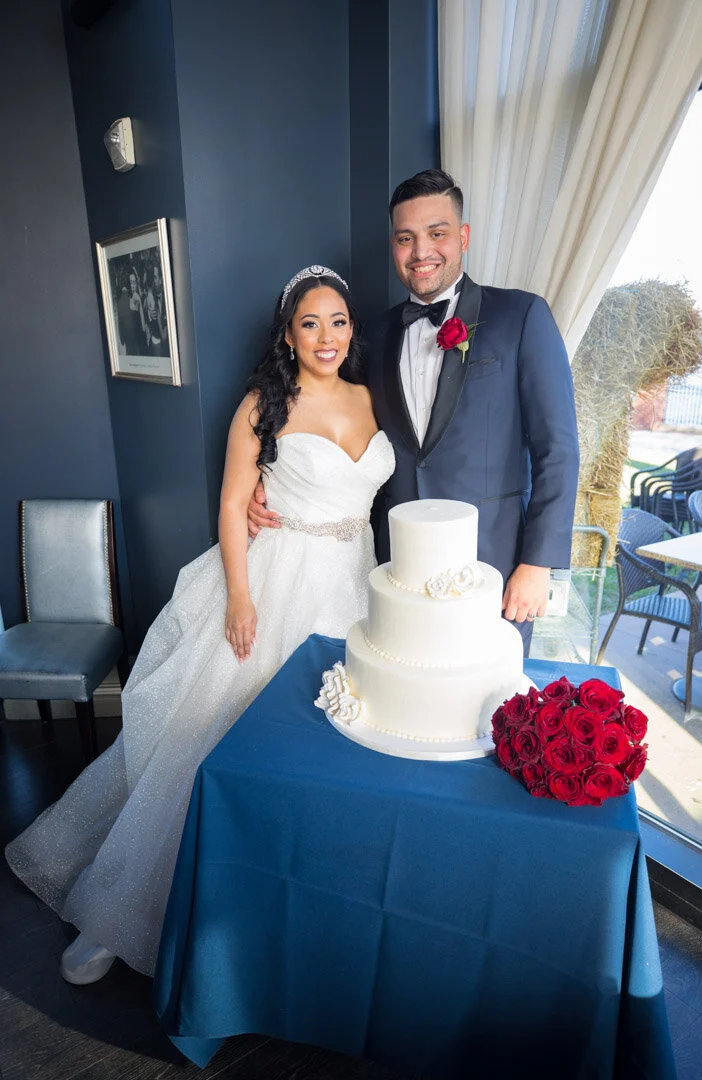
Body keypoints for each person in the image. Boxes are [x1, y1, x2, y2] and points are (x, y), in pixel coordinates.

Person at [5, 266, 395, 984]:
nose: (326, 336)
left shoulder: (372, 397)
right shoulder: (262, 405)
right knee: (211, 741)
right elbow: (232, 505)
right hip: (278, 582)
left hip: (357, 586)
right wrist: (240, 599)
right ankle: (120, 909)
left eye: (338, 321)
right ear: (288, 335)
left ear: (351, 330)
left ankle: (293, 909)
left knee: (326, 756)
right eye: (310, 323)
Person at [249, 170, 579, 654]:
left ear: (463, 237)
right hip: (392, 566)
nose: (421, 251)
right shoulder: (371, 335)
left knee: (485, 692)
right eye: (406, 238)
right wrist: (269, 488)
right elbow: (332, 424)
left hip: (492, 565)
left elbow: (558, 449)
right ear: (394, 246)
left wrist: (538, 563)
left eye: (436, 233)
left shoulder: (523, 316)